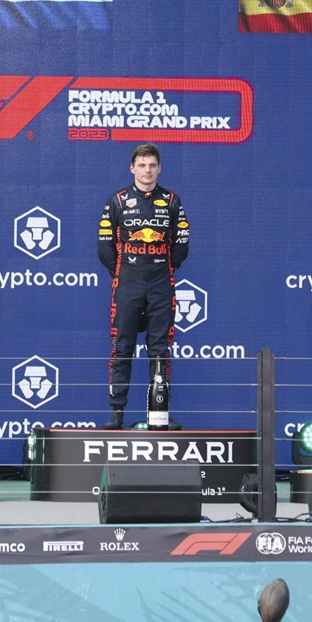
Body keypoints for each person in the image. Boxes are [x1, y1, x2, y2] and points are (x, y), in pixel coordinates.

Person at [98, 143, 189, 430]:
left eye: (152, 165)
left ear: (160, 168)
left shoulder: (172, 200)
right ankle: (117, 413)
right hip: (128, 280)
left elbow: (182, 244)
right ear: (132, 168)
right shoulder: (117, 200)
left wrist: (164, 266)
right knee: (122, 345)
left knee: (160, 349)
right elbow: (104, 246)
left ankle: (159, 415)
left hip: (161, 280)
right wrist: (123, 272)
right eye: (142, 165)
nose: (147, 170)